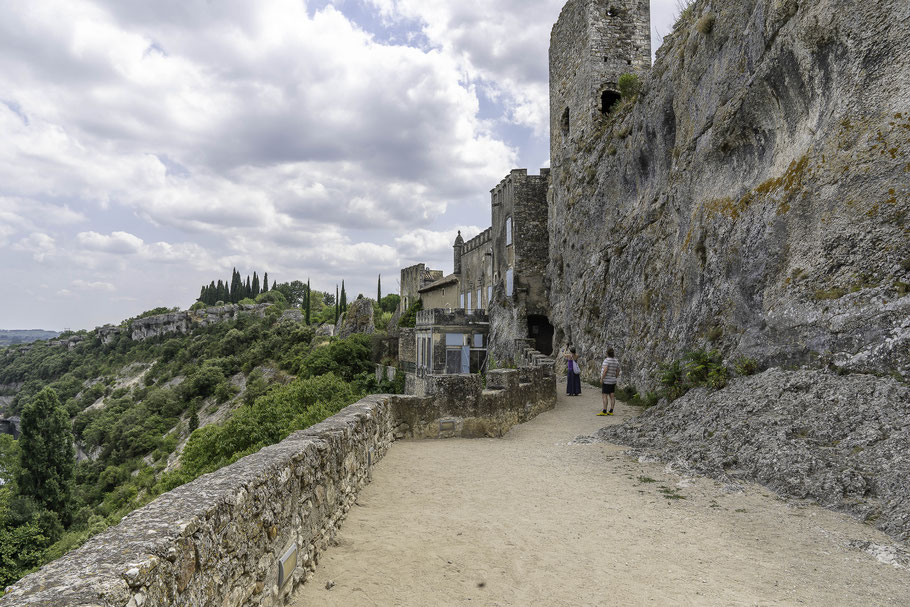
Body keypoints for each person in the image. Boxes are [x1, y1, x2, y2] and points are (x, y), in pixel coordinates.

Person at [598, 347, 621, 415]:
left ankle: (604, 410)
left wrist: (602, 378)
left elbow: (605, 370)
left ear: (607, 353)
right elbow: (618, 370)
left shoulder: (606, 360)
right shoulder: (616, 361)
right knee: (612, 395)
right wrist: (615, 376)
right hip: (613, 380)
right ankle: (611, 411)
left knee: (604, 395)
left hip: (607, 380)